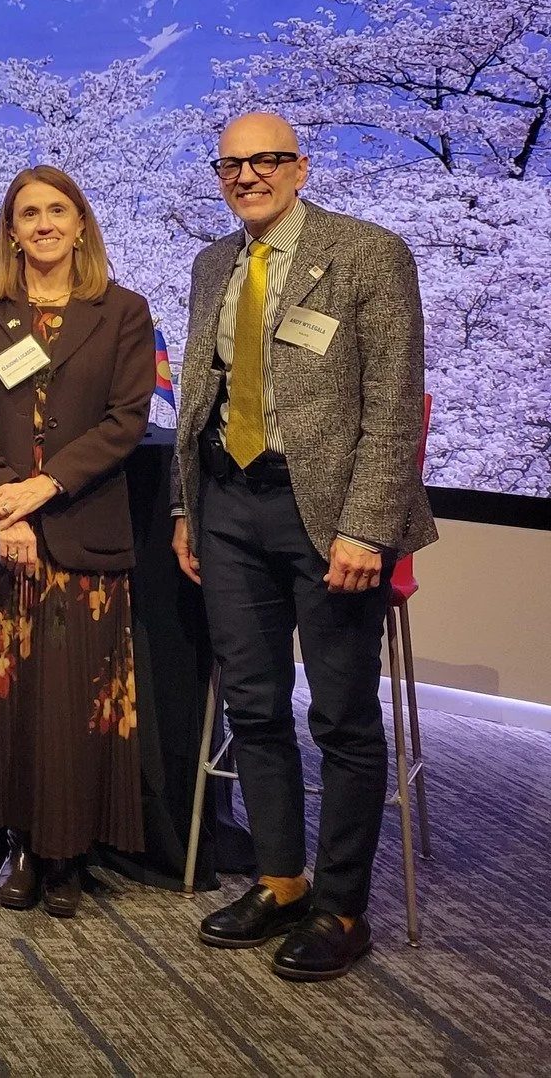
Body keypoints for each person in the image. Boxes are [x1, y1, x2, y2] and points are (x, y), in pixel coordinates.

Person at [172, 113, 437, 983]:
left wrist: (367, 526)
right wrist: (186, 508)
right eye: (232, 165)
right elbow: (198, 401)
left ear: (299, 166)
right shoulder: (216, 262)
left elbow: (395, 404)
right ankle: (282, 879)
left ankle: (343, 906)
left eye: (266, 161)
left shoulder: (368, 254)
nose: (247, 176)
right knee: (252, 703)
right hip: (229, 506)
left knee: (341, 717)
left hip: (327, 518)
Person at [0, 165, 154, 919]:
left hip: (81, 531)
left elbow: (126, 420)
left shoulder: (122, 312)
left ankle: (71, 850)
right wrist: (9, 506)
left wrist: (44, 488)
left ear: (82, 222)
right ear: (11, 229)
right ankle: (20, 846)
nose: (43, 224)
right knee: (4, 702)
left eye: (57, 210)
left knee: (73, 702)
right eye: (27, 213)